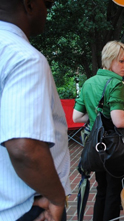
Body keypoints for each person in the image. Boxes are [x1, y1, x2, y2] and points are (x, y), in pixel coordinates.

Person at [0, 0, 71, 220]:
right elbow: (25, 149)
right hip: (29, 209)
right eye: (46, 5)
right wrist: (57, 198)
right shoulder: (25, 58)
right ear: (29, 5)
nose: (47, 12)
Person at [72, 41, 124, 221]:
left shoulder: (89, 82)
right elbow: (119, 121)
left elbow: (77, 117)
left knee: (102, 190)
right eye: (121, 61)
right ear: (110, 60)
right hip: (114, 149)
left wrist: (97, 118)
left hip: (96, 147)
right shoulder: (115, 83)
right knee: (114, 193)